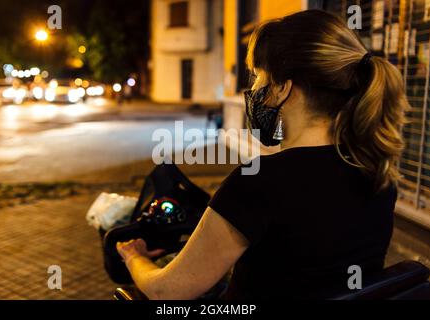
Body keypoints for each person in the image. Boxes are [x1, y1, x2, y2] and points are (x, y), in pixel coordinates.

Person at [116, 10, 409, 299]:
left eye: (258, 77)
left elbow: (167, 291)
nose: (253, 89)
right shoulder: (377, 171)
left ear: (282, 87)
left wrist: (134, 258)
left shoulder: (259, 183)